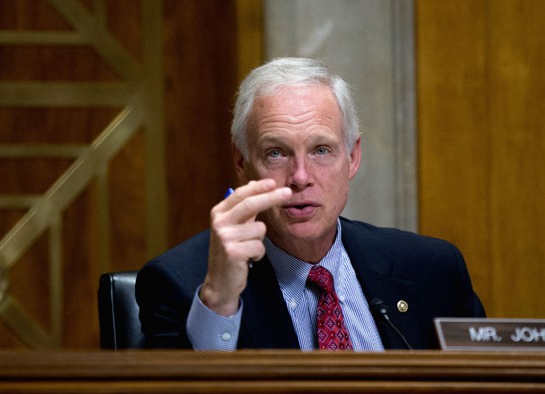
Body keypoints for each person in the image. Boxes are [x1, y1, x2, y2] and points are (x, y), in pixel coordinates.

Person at [136, 57, 485, 350]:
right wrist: (220, 301)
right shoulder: (182, 285)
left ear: (352, 157)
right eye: (276, 153)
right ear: (242, 162)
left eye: (321, 150)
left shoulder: (432, 271)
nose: (300, 176)